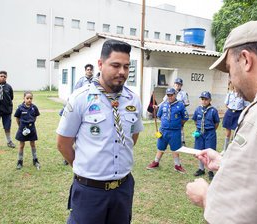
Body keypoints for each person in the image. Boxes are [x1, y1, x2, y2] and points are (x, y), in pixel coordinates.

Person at [186, 21, 257, 223]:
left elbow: (232, 219)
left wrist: (204, 196)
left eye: (229, 70)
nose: (230, 81)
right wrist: (226, 162)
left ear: (245, 59)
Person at [56, 39, 144, 224]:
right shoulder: (81, 98)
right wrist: (87, 169)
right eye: (116, 65)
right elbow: (63, 144)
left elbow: (131, 139)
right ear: (100, 64)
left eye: (127, 67)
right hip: (89, 191)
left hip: (123, 189)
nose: (122, 72)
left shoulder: (132, 99)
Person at [146, 88, 189, 173]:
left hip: (175, 131)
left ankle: (177, 165)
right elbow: (159, 116)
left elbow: (185, 117)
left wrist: (178, 124)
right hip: (163, 131)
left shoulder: (180, 105)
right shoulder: (163, 105)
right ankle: (156, 162)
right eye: (168, 95)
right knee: (160, 147)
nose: (169, 97)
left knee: (175, 148)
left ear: (175, 95)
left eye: (171, 95)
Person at [61, 64, 95, 165]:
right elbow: (75, 93)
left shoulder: (95, 80)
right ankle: (67, 158)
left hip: (90, 108)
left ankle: (84, 154)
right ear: (85, 71)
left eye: (90, 70)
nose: (89, 71)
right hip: (80, 107)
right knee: (73, 133)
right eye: (87, 70)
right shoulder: (81, 80)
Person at [192, 91, 220, 180]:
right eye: (202, 99)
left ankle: (210, 171)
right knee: (200, 151)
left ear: (210, 100)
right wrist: (199, 129)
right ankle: (201, 169)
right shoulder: (198, 109)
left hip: (210, 133)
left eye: (206, 99)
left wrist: (210, 130)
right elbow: (195, 120)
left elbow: (216, 123)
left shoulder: (213, 110)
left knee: (209, 151)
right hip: (200, 133)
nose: (204, 101)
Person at [157, 78, 190, 146]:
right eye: (176, 84)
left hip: (179, 112)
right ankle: (168, 140)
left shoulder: (183, 93)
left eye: (179, 84)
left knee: (181, 126)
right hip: (169, 110)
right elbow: (164, 101)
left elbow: (187, 103)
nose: (177, 85)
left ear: (181, 85)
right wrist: (157, 106)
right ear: (174, 84)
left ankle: (182, 141)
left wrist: (179, 108)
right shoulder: (169, 91)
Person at [14, 91, 40, 169]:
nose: (29, 100)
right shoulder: (20, 107)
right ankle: (20, 161)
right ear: (24, 98)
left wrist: (31, 123)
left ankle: (35, 160)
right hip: (22, 128)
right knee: (21, 145)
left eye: (31, 98)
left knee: (33, 144)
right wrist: (20, 126)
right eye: (27, 98)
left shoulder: (34, 107)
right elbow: (17, 118)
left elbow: (35, 116)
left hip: (31, 128)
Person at [221, 82, 249, 154]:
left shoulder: (243, 95)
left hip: (238, 114)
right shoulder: (230, 94)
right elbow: (226, 104)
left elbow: (245, 105)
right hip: (229, 113)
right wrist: (232, 109)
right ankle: (225, 150)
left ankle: (233, 150)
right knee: (227, 134)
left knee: (236, 133)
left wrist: (238, 110)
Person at [0, 71, 16, 148]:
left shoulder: (9, 87)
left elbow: (11, 97)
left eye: (4, 76)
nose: (3, 78)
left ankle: (9, 141)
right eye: (1, 76)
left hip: (6, 110)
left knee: (7, 127)